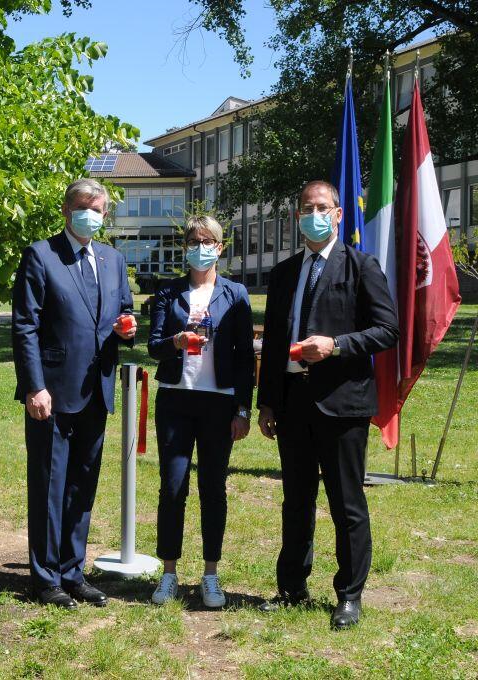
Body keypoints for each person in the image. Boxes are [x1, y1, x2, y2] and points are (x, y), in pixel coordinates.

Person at [257, 180, 398, 630]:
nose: (312, 214)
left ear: (338, 214)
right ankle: (292, 587)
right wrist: (267, 403)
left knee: (346, 503)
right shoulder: (283, 274)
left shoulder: (361, 266)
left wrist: (336, 345)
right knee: (296, 501)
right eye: (305, 208)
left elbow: (387, 329)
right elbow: (276, 343)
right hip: (294, 404)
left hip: (343, 405)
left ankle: (349, 595)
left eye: (321, 207)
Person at [12, 178, 137, 609]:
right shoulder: (41, 255)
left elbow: (123, 311)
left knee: (82, 485)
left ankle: (72, 571)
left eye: (100, 208)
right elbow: (25, 326)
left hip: (96, 390)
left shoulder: (113, 259)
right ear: (67, 210)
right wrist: (34, 386)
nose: (93, 214)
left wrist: (127, 327)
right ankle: (45, 579)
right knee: (50, 486)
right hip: (51, 392)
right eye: (86, 206)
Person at [146, 215, 254, 609]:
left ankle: (211, 574)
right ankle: (169, 573)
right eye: (194, 240)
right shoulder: (169, 292)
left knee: (213, 488)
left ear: (220, 247)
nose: (201, 246)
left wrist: (243, 408)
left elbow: (245, 359)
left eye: (208, 240)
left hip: (218, 402)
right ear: (185, 246)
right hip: (175, 400)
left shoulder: (236, 293)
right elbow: (154, 346)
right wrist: (176, 340)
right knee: (173, 487)